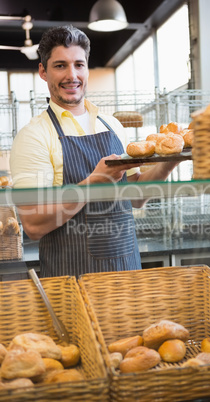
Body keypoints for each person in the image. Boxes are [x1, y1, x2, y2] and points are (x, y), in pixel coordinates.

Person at [10, 25, 179, 278]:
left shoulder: (112, 125)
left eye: (79, 64)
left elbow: (136, 197)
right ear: (43, 72)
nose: (72, 75)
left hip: (126, 276)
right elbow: (33, 225)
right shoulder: (34, 135)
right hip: (71, 284)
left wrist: (170, 159)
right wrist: (94, 183)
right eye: (60, 66)